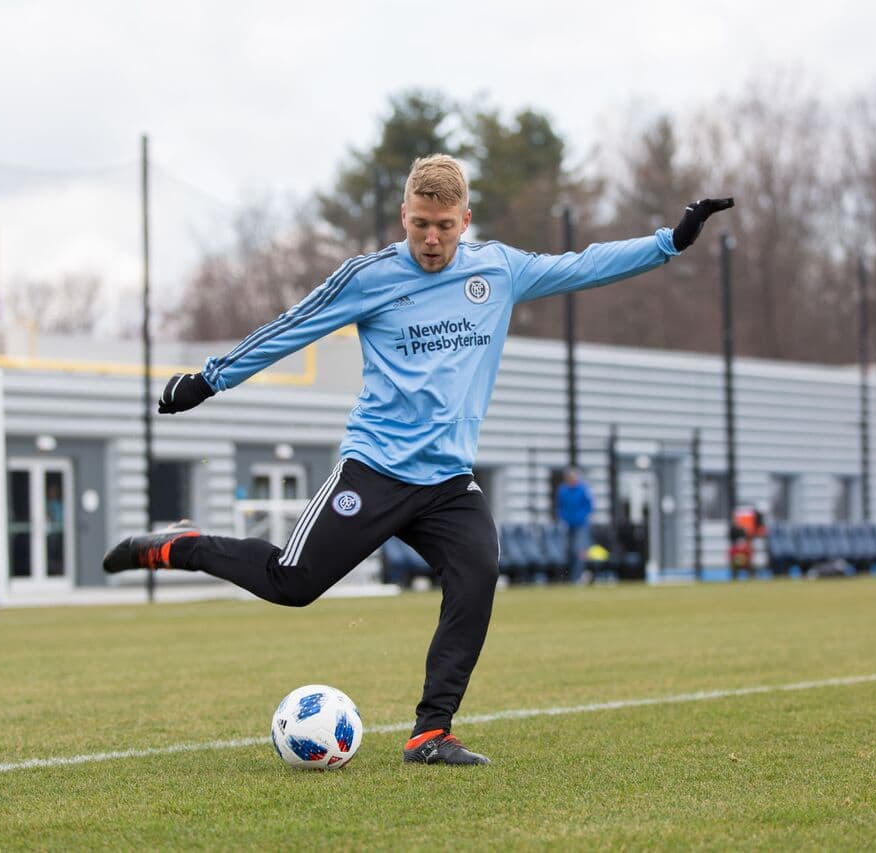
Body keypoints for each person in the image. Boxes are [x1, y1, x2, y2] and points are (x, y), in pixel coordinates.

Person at [102, 154, 733, 766]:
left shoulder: (500, 271)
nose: (431, 239)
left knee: (478, 571)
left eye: (445, 225)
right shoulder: (368, 277)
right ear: (404, 214)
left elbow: (584, 265)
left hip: (448, 483)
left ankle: (430, 732)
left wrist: (670, 241)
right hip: (376, 469)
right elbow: (293, 326)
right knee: (291, 585)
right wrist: (209, 379)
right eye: (419, 224)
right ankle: (176, 547)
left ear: (466, 218)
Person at [555, 467, 594, 584]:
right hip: (567, 524)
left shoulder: (583, 489)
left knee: (579, 550)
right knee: (569, 551)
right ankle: (569, 576)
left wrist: (582, 517)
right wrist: (562, 518)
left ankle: (577, 576)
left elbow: (589, 505)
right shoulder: (563, 490)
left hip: (581, 525)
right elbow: (559, 506)